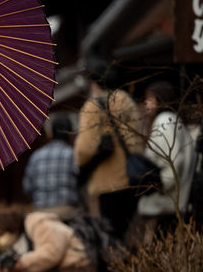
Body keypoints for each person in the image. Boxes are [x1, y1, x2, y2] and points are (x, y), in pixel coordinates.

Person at [74, 56, 143, 237]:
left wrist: (80, 162)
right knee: (130, 237)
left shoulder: (93, 106)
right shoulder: (127, 100)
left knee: (110, 241)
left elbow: (84, 149)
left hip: (107, 183)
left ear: (93, 83)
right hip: (133, 177)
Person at [137, 80, 195, 225]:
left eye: (150, 99)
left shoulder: (165, 121)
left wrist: (159, 185)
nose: (146, 103)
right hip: (173, 197)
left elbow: (174, 161)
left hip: (167, 199)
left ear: (161, 100)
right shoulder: (172, 120)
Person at [22, 113, 78, 218]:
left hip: (41, 212)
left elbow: (26, 187)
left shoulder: (36, 156)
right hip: (67, 211)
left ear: (50, 134)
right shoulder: (72, 154)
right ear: (70, 134)